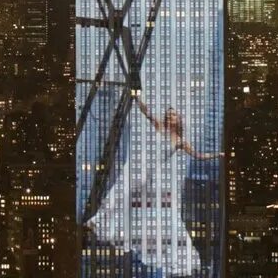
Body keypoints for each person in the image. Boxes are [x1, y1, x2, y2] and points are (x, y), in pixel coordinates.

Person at [86, 95, 222, 275]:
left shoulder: (180, 141)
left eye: (173, 115)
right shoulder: (160, 128)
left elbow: (199, 156)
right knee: (120, 192)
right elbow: (147, 112)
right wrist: (136, 97)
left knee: (131, 200)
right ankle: (98, 219)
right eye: (169, 115)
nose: (170, 117)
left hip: (147, 172)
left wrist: (218, 155)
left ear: (178, 120)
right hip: (138, 163)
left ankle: (113, 226)